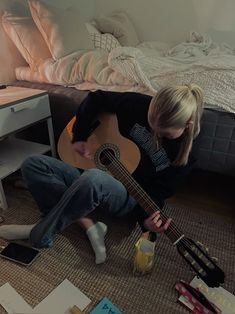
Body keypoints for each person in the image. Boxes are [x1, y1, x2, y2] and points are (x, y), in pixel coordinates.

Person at [0, 85, 203, 265]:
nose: (156, 135)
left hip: (126, 197)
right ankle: (89, 225)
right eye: (151, 125)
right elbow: (96, 98)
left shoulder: (186, 157)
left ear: (187, 126)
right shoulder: (138, 103)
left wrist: (146, 222)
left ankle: (40, 232)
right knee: (33, 164)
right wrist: (80, 136)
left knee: (94, 178)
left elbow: (157, 194)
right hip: (90, 171)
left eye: (165, 135)